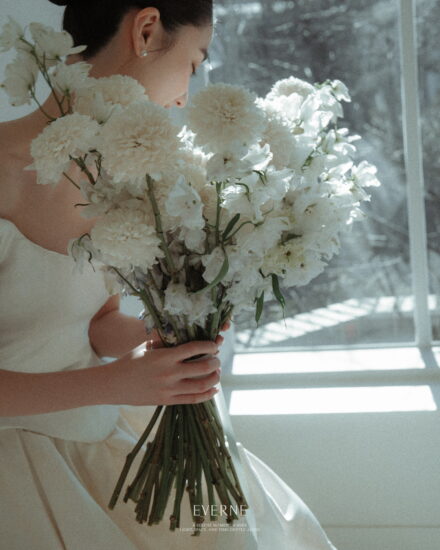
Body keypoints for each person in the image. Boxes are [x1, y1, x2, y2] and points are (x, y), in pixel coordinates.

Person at [0, 1, 339, 549]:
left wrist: (164, 339)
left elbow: (94, 321)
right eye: (193, 63)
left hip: (97, 442)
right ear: (147, 30)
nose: (184, 97)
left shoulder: (120, 179)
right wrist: (118, 383)